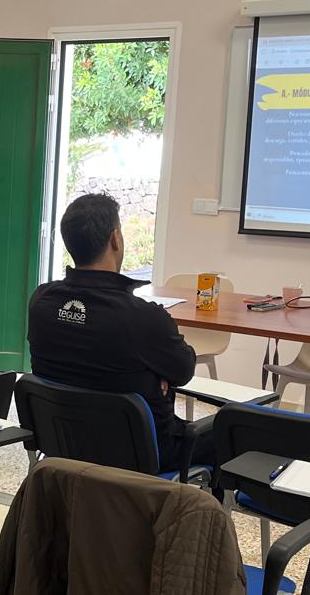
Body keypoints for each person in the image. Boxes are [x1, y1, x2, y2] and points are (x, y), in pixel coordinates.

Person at [27, 193, 205, 474]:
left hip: (65, 446)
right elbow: (183, 371)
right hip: (144, 454)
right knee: (228, 432)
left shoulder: (41, 302)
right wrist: (158, 375)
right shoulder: (143, 318)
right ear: (115, 240)